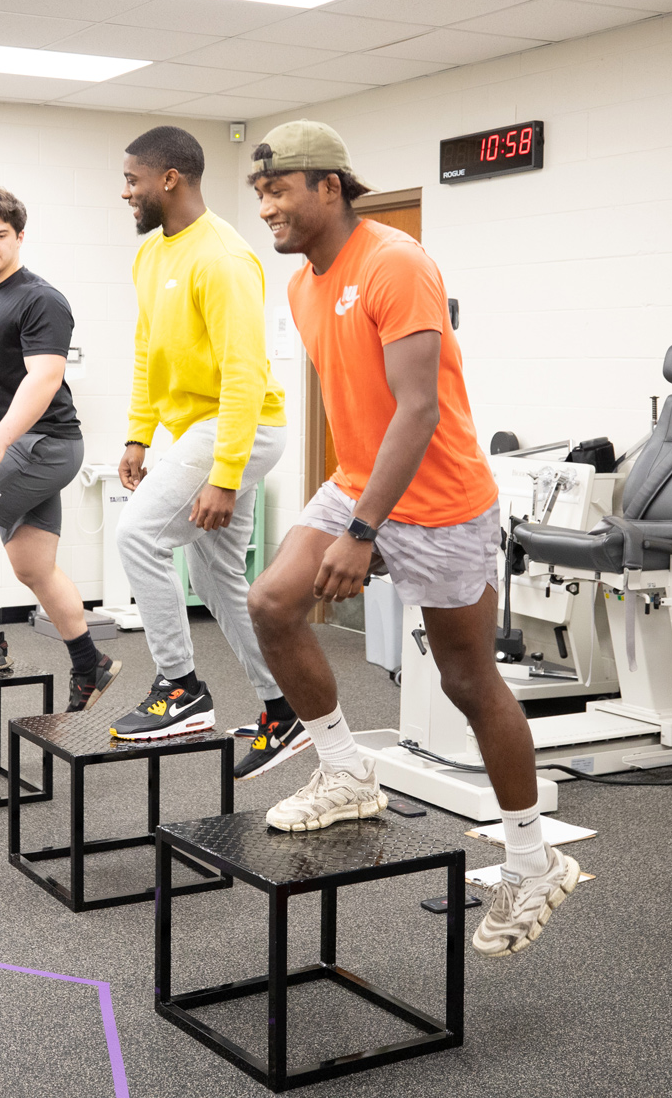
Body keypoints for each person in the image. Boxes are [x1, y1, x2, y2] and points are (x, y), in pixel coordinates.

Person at [245, 120, 581, 959]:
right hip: (360, 479)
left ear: (329, 186)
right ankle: (346, 771)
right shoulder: (303, 287)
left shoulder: (396, 263)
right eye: (260, 194)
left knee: (468, 680)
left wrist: (363, 533)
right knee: (273, 602)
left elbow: (419, 409)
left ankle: (533, 861)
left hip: (442, 502)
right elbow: (358, 410)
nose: (268, 208)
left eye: (278, 190)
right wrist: (352, 512)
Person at [107, 126, 297, 781]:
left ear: (169, 179)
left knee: (138, 534)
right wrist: (138, 434)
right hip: (202, 431)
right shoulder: (152, 255)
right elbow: (147, 349)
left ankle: (180, 687)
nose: (125, 192)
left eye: (132, 180)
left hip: (241, 427)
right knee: (217, 578)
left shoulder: (222, 258)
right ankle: (284, 708)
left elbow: (244, 374)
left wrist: (225, 475)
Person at [0, 187, 119, 712]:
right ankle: (90, 663)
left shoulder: (40, 299)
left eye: (0, 235)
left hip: (45, 443)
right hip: (25, 445)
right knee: (33, 566)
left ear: (19, 237)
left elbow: (45, 377)